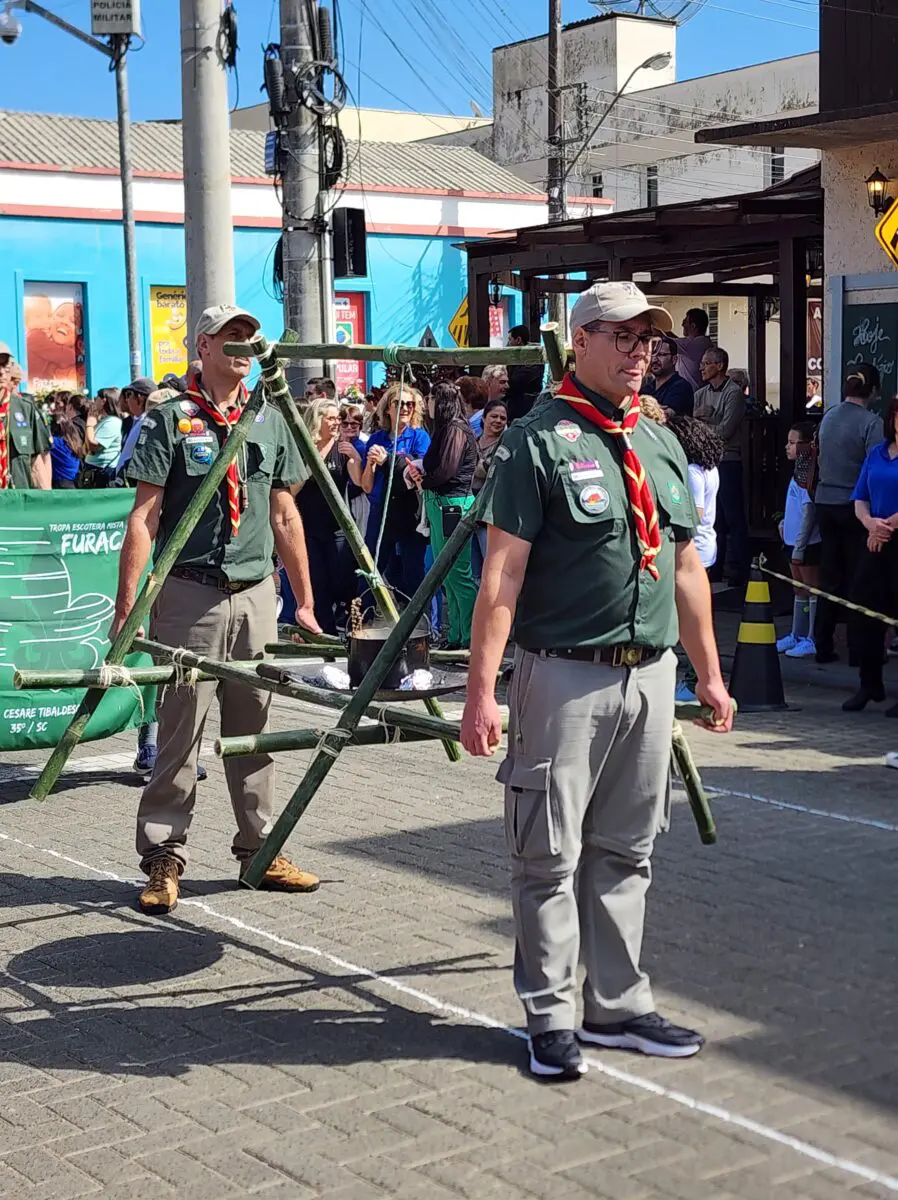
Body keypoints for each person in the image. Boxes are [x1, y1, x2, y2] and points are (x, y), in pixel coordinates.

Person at [460, 280, 733, 1081]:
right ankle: (550, 1017)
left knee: (627, 849)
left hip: (648, 678)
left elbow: (685, 567)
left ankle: (616, 1004)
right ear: (579, 341)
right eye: (621, 335)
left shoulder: (658, 441)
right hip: (563, 677)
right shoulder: (538, 441)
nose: (639, 350)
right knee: (546, 854)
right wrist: (482, 693)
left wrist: (709, 676)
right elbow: (501, 577)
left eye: (648, 337)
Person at [114, 303, 322, 916]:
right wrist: (129, 607)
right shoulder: (169, 420)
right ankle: (163, 857)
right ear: (201, 346)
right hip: (189, 593)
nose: (242, 349)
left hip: (256, 594)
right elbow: (145, 518)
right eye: (230, 338)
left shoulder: (270, 419)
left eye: (249, 340)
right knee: (180, 732)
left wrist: (305, 600)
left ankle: (260, 850)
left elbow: (285, 513)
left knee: (254, 730)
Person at [814, 365, 884, 665]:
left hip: (825, 503)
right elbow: (874, 470)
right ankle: (858, 651)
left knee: (829, 576)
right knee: (860, 578)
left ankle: (822, 644)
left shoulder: (828, 415)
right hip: (855, 507)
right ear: (874, 391)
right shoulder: (872, 423)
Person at [408, 383, 479, 648]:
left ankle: (469, 637)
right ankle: (456, 636)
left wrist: (424, 481)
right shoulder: (448, 429)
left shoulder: (455, 429)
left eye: (430, 398)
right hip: (443, 504)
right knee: (446, 573)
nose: (427, 403)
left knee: (458, 574)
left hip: (453, 505)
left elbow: (447, 470)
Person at [844, 394, 898, 714]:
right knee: (862, 609)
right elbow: (860, 496)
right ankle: (869, 683)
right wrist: (869, 524)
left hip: (891, 536)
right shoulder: (877, 453)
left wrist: (886, 527)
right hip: (873, 540)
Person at [288, 397, 361, 633]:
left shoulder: (342, 448)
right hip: (307, 527)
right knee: (316, 583)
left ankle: (348, 626)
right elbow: (291, 490)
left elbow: (360, 483)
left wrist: (357, 458)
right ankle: (323, 633)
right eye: (330, 418)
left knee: (342, 580)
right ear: (317, 420)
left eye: (337, 418)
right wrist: (312, 463)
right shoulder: (302, 449)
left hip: (337, 528)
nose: (336, 423)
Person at [665, 414, 724, 702]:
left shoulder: (691, 471)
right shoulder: (709, 468)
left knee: (687, 616)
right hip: (706, 546)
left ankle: (691, 679)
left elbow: (695, 514)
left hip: (694, 550)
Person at [360, 382, 430, 602]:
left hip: (410, 510)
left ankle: (417, 621)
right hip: (381, 508)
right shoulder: (376, 439)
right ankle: (364, 615)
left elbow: (416, 474)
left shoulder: (420, 437)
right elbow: (367, 486)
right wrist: (371, 462)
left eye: (410, 404)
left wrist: (387, 460)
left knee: (413, 569)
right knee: (372, 563)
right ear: (388, 408)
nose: (406, 408)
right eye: (399, 403)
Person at [693, 345, 750, 588]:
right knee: (713, 518)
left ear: (720, 366)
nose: (701, 367)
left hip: (728, 460)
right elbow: (691, 424)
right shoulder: (699, 393)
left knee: (733, 517)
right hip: (706, 461)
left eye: (706, 363)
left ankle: (740, 569)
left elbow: (726, 430)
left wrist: (704, 425)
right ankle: (714, 568)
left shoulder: (734, 392)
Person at [776, 422, 822, 660]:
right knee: (799, 589)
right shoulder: (796, 474)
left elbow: (808, 513)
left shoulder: (809, 476)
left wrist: (801, 545)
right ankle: (797, 632)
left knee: (812, 588)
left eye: (793, 443)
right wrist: (783, 523)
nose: (788, 447)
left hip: (806, 544)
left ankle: (812, 637)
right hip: (792, 541)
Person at [0, 344, 51, 489]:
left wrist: (47, 502)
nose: (1, 371)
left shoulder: (24, 408)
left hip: (16, 501)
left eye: (4, 364)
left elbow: (36, 463)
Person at [471, 397, 509, 580]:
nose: (498, 421)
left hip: (490, 511)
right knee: (473, 570)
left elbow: (484, 471)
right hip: (469, 506)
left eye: (503, 418)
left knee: (490, 566)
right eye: (494, 416)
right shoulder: (474, 441)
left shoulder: (506, 445)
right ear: (484, 418)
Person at [114, 378, 158, 476]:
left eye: (129, 395)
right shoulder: (135, 421)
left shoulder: (148, 424)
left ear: (140, 398)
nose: (126, 400)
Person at [505, 325, 545, 423]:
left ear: (518, 340)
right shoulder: (520, 359)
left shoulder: (532, 358)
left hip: (525, 405)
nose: (507, 344)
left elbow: (516, 381)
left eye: (510, 340)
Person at [645, 336, 693, 416]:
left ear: (674, 359)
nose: (654, 360)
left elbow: (663, 417)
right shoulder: (647, 388)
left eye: (661, 355)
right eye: (652, 355)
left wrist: (641, 408)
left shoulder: (681, 387)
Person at [84, 390, 123, 486]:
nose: (94, 401)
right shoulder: (103, 420)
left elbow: (93, 446)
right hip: (93, 468)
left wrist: (89, 424)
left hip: (102, 471)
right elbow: (86, 446)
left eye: (96, 398)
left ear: (103, 401)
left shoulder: (113, 422)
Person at [673, 308, 714, 392]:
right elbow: (674, 339)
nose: (682, 324)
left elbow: (666, 340)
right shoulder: (700, 343)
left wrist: (652, 327)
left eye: (685, 322)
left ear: (693, 326)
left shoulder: (697, 344)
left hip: (693, 396)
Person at [50, 418, 85, 489]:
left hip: (61, 484)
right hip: (74, 482)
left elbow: (44, 439)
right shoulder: (76, 443)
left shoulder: (58, 443)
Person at [476, 366, 508, 435]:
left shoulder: (503, 409)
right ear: (488, 383)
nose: (507, 386)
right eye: (502, 382)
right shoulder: (474, 408)